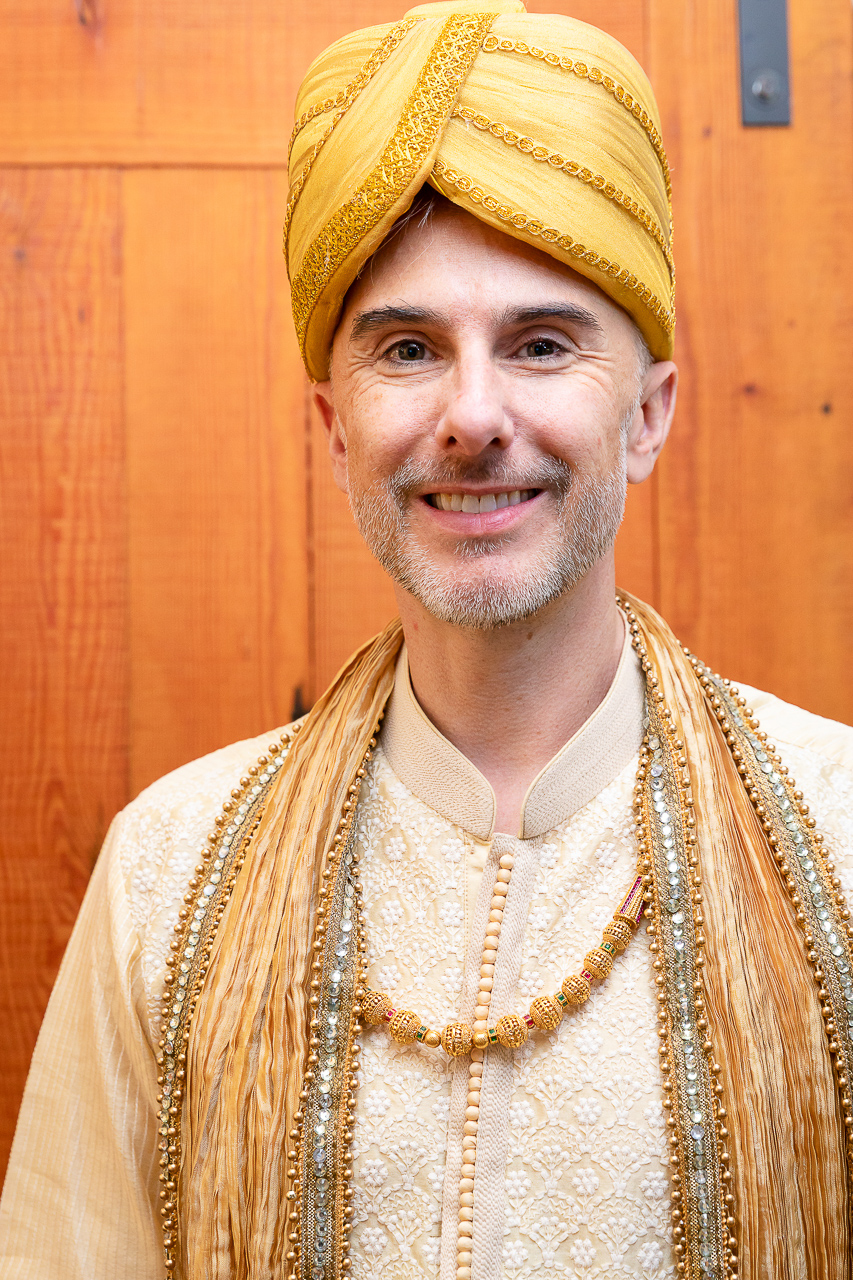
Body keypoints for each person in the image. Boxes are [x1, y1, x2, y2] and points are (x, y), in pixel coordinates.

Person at [2, 2, 852, 1278]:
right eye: (406, 348)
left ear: (649, 414)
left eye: (541, 343)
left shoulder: (838, 846)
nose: (471, 415)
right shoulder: (165, 881)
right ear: (334, 426)